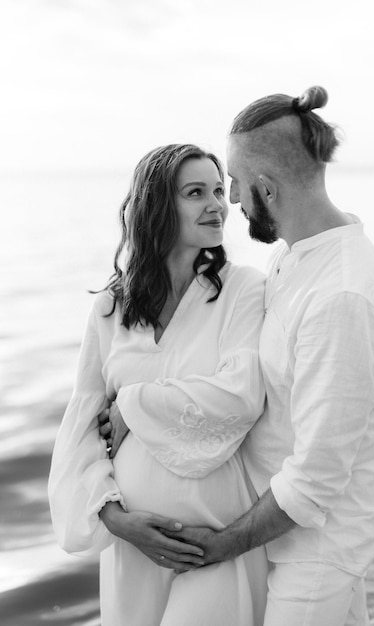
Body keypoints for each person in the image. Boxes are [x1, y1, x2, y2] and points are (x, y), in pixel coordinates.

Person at [155, 87, 374, 625]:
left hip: (316, 551)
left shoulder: (341, 296)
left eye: (238, 186)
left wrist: (222, 544)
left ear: (267, 188)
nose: (233, 202)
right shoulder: (298, 260)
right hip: (285, 535)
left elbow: (316, 479)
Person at [48, 143, 269, 626]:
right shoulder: (111, 307)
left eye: (217, 189)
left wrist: (132, 404)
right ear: (157, 207)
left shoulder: (243, 290)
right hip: (135, 548)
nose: (216, 204)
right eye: (195, 192)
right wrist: (116, 519)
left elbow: (241, 395)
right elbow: (81, 426)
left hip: (215, 535)